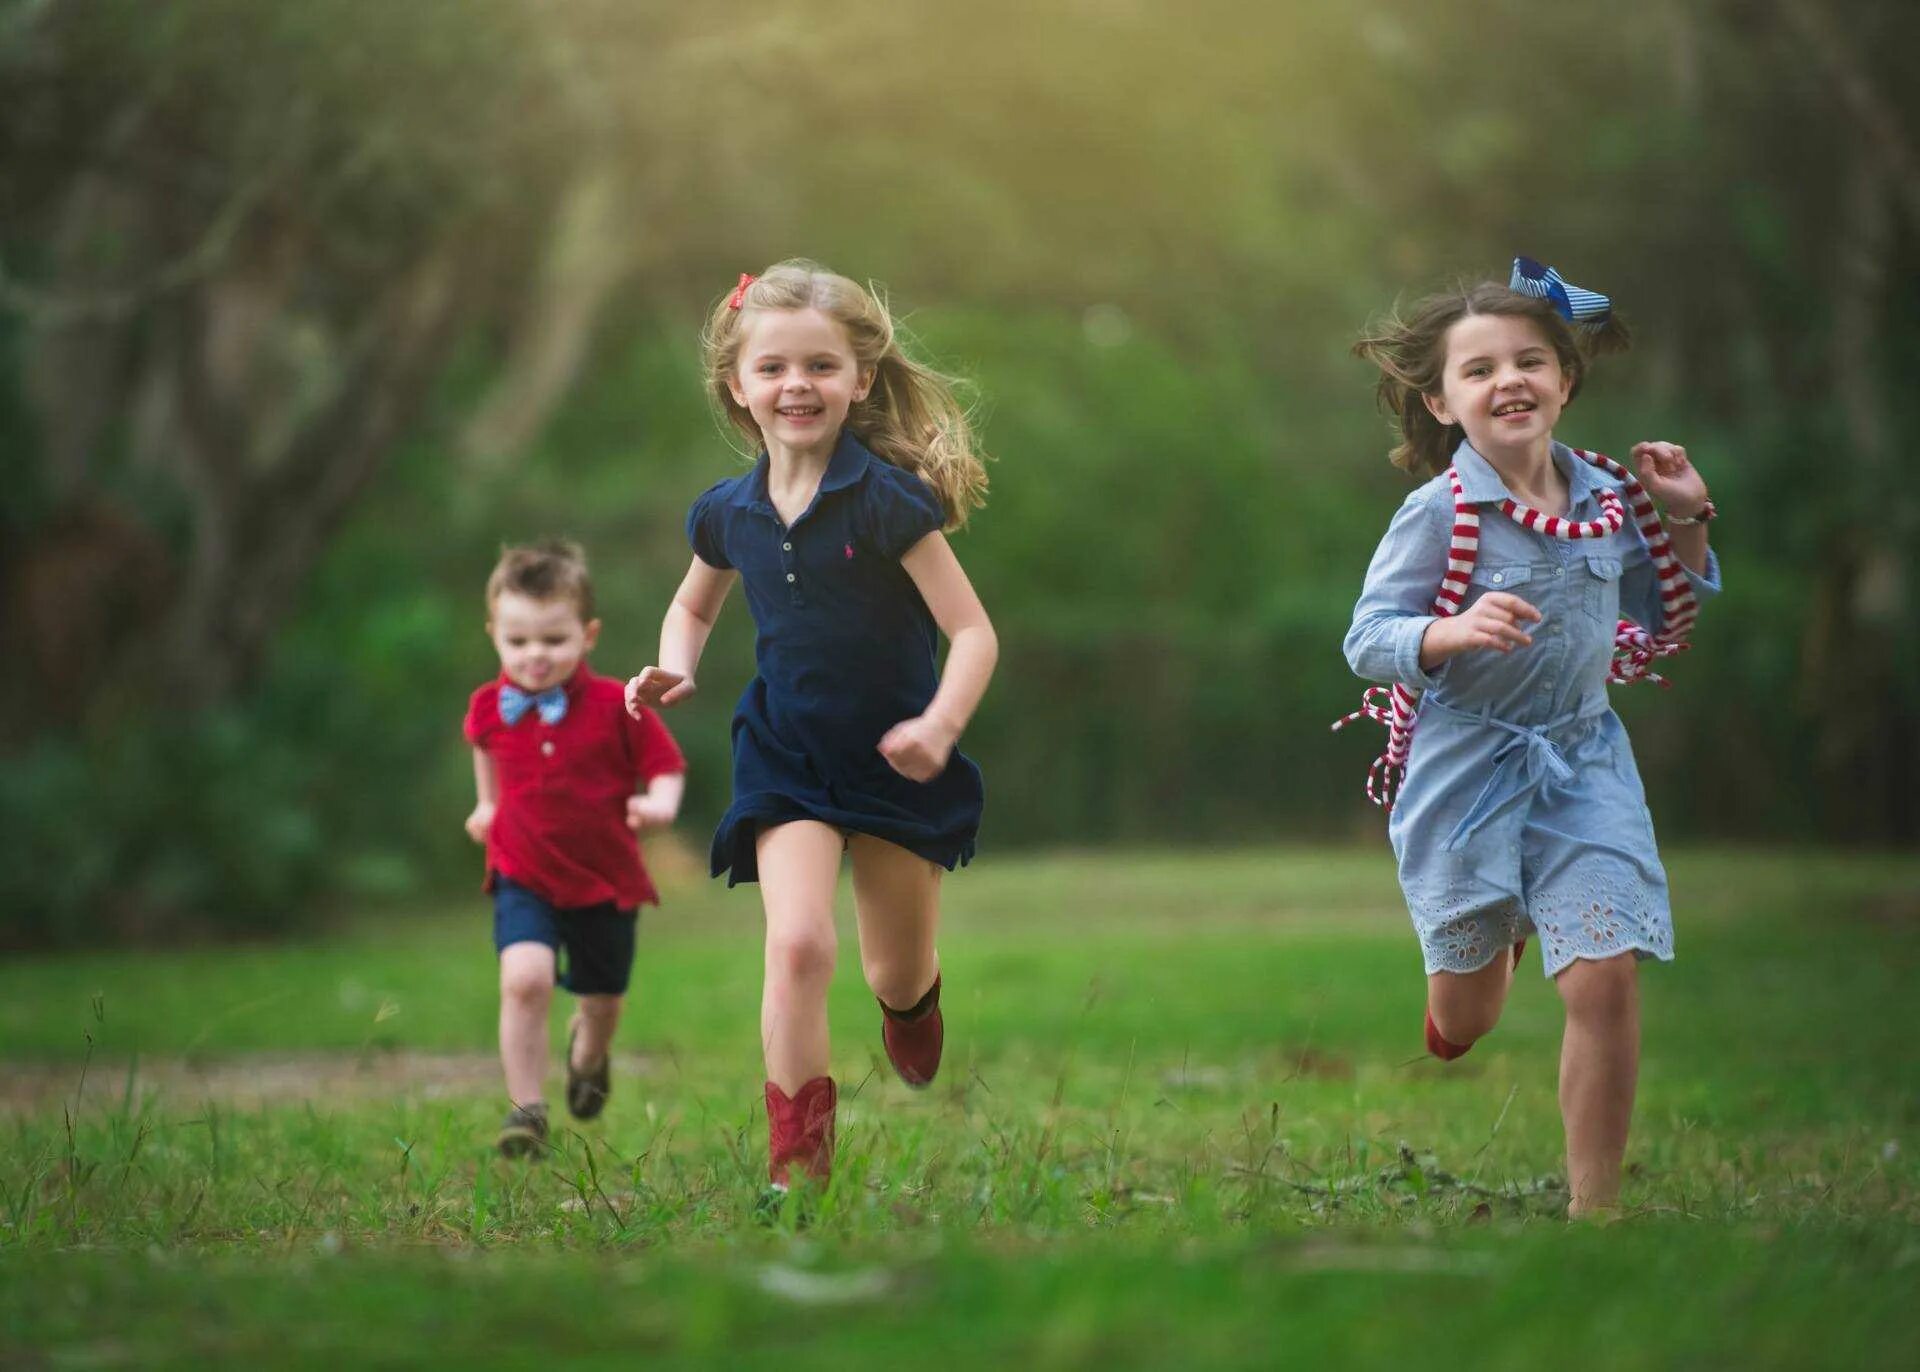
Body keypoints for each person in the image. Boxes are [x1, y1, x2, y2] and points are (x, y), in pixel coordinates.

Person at [1339, 258, 1721, 1216]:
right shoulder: (1437, 516)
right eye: (1479, 370)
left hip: (1583, 759)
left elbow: (1665, 608)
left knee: (1604, 978)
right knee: (1464, 1017)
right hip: (1466, 769)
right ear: (1440, 402)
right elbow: (1367, 637)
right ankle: (1483, 955)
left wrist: (1686, 518)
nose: (1508, 379)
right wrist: (1451, 630)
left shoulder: (1606, 495)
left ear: (1564, 379)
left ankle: (1597, 1211)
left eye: (1530, 360)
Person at [625, 261, 996, 1194]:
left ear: (861, 380)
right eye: (775, 368)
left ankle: (912, 1005)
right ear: (738, 386)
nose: (798, 385)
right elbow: (694, 607)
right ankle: (798, 1170)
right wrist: (676, 661)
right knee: (795, 945)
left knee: (893, 968)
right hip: (786, 755)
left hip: (896, 760)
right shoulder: (727, 512)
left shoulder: (886, 502)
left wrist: (941, 727)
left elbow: (972, 631)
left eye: (822, 366)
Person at [464, 540, 686, 1157]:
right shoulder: (488, 706)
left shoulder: (619, 704)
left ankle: (588, 1055)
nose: (535, 656)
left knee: (603, 999)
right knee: (525, 979)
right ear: (495, 636)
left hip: (604, 879)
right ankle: (525, 1111)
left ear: (587, 635)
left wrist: (660, 803)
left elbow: (664, 764)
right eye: (518, 641)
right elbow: (485, 746)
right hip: (522, 870)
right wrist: (487, 805)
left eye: (553, 640)